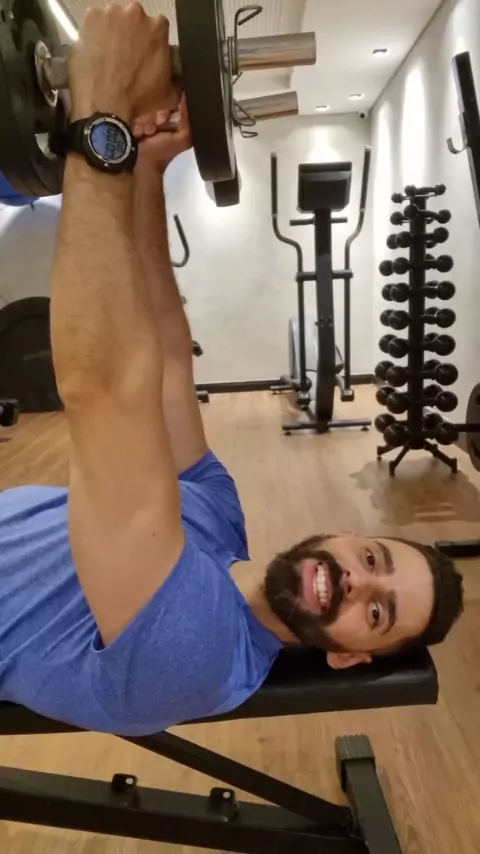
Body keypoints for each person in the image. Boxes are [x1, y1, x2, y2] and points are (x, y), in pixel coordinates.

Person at [0, 4, 463, 737]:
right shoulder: (219, 523)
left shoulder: (202, 654)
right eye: (374, 558)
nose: (355, 580)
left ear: (349, 656)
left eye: (377, 612)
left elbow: (103, 389)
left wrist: (102, 116)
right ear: (343, 532)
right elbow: (165, 359)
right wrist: (148, 170)